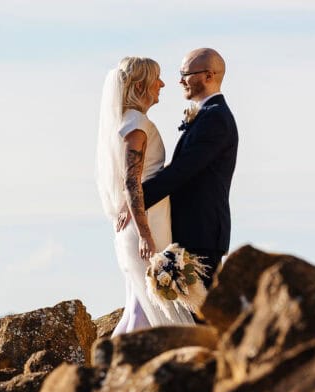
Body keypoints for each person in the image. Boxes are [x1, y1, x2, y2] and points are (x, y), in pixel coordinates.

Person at [97, 57, 195, 335]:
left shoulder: (131, 120)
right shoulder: (136, 124)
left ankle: (105, 368)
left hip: (147, 219)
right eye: (157, 79)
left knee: (136, 309)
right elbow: (131, 180)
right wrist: (145, 234)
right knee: (145, 311)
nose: (162, 84)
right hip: (147, 224)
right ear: (140, 85)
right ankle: (107, 372)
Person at [141, 48, 238, 289]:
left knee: (201, 315)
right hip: (192, 230)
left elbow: (182, 171)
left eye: (186, 74)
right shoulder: (208, 115)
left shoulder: (215, 118)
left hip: (201, 231)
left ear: (208, 75)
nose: (180, 80)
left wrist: (137, 199)